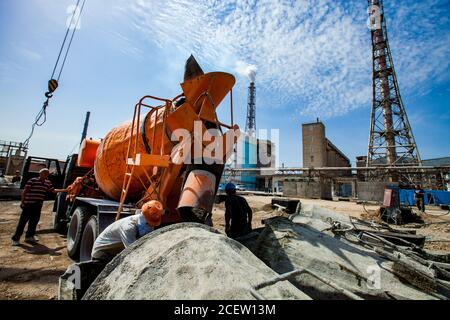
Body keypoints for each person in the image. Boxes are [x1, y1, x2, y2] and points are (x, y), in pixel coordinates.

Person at [91, 200, 163, 262]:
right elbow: (132, 251)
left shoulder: (145, 223)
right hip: (102, 252)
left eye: (152, 224)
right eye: (148, 223)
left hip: (116, 250)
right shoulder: (128, 227)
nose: (150, 227)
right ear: (142, 215)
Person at [11, 168, 67, 246]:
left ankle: (29, 236)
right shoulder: (32, 180)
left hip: (38, 205)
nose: (46, 175)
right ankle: (15, 239)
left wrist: (65, 190)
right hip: (28, 204)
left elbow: (53, 190)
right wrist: (22, 202)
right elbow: (25, 191)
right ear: (40, 174)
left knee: (34, 222)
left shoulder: (48, 182)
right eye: (44, 173)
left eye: (47, 173)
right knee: (22, 222)